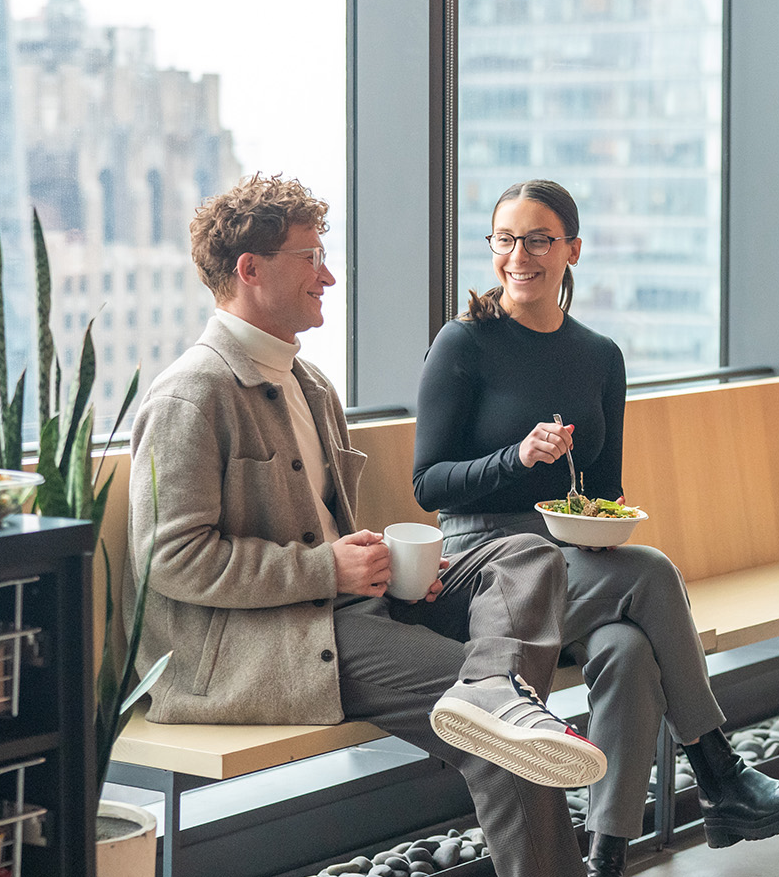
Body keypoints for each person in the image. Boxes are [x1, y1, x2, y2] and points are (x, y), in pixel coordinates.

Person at [128, 174, 604, 877]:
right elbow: (170, 560)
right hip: (279, 638)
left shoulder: (310, 384)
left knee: (528, 555)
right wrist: (329, 569)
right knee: (505, 737)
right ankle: (503, 706)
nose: (328, 275)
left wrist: (376, 561)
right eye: (309, 258)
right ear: (250, 270)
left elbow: (321, 529)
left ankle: (500, 697)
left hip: (349, 608)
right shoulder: (190, 396)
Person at [412, 179, 779, 877]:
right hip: (486, 565)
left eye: (540, 239)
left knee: (629, 650)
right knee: (656, 574)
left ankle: (606, 858)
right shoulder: (465, 343)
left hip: (570, 562)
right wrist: (516, 457)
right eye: (506, 239)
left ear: (573, 249)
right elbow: (429, 485)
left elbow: (604, 491)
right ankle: (719, 771)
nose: (521, 255)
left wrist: (600, 521)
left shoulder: (600, 356)